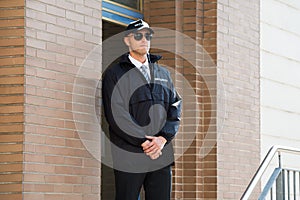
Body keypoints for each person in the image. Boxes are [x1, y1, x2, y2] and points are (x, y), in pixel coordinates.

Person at [102, 19, 182, 200]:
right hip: (129, 154)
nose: (144, 39)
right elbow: (116, 113)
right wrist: (144, 141)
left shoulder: (163, 74)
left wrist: (162, 139)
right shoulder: (115, 74)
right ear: (127, 40)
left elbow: (175, 107)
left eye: (148, 35)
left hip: (160, 153)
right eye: (138, 35)